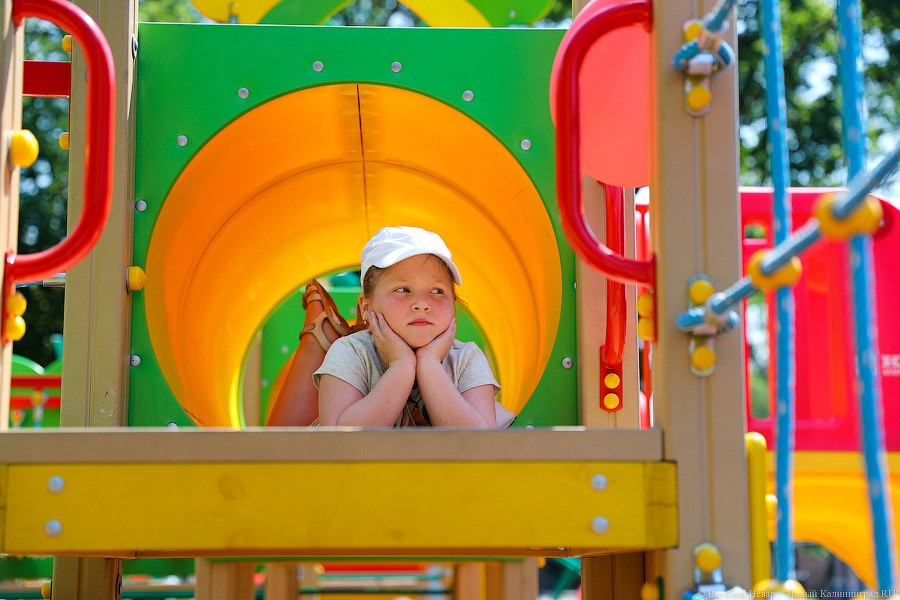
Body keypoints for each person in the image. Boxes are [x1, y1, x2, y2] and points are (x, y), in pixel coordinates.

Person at [266, 226, 515, 429]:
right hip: (354, 475)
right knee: (283, 449)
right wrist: (401, 366)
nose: (422, 304)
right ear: (366, 307)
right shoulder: (351, 353)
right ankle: (317, 335)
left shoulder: (466, 358)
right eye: (403, 290)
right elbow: (342, 444)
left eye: (437, 291)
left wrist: (429, 364)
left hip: (433, 476)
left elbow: (480, 446)